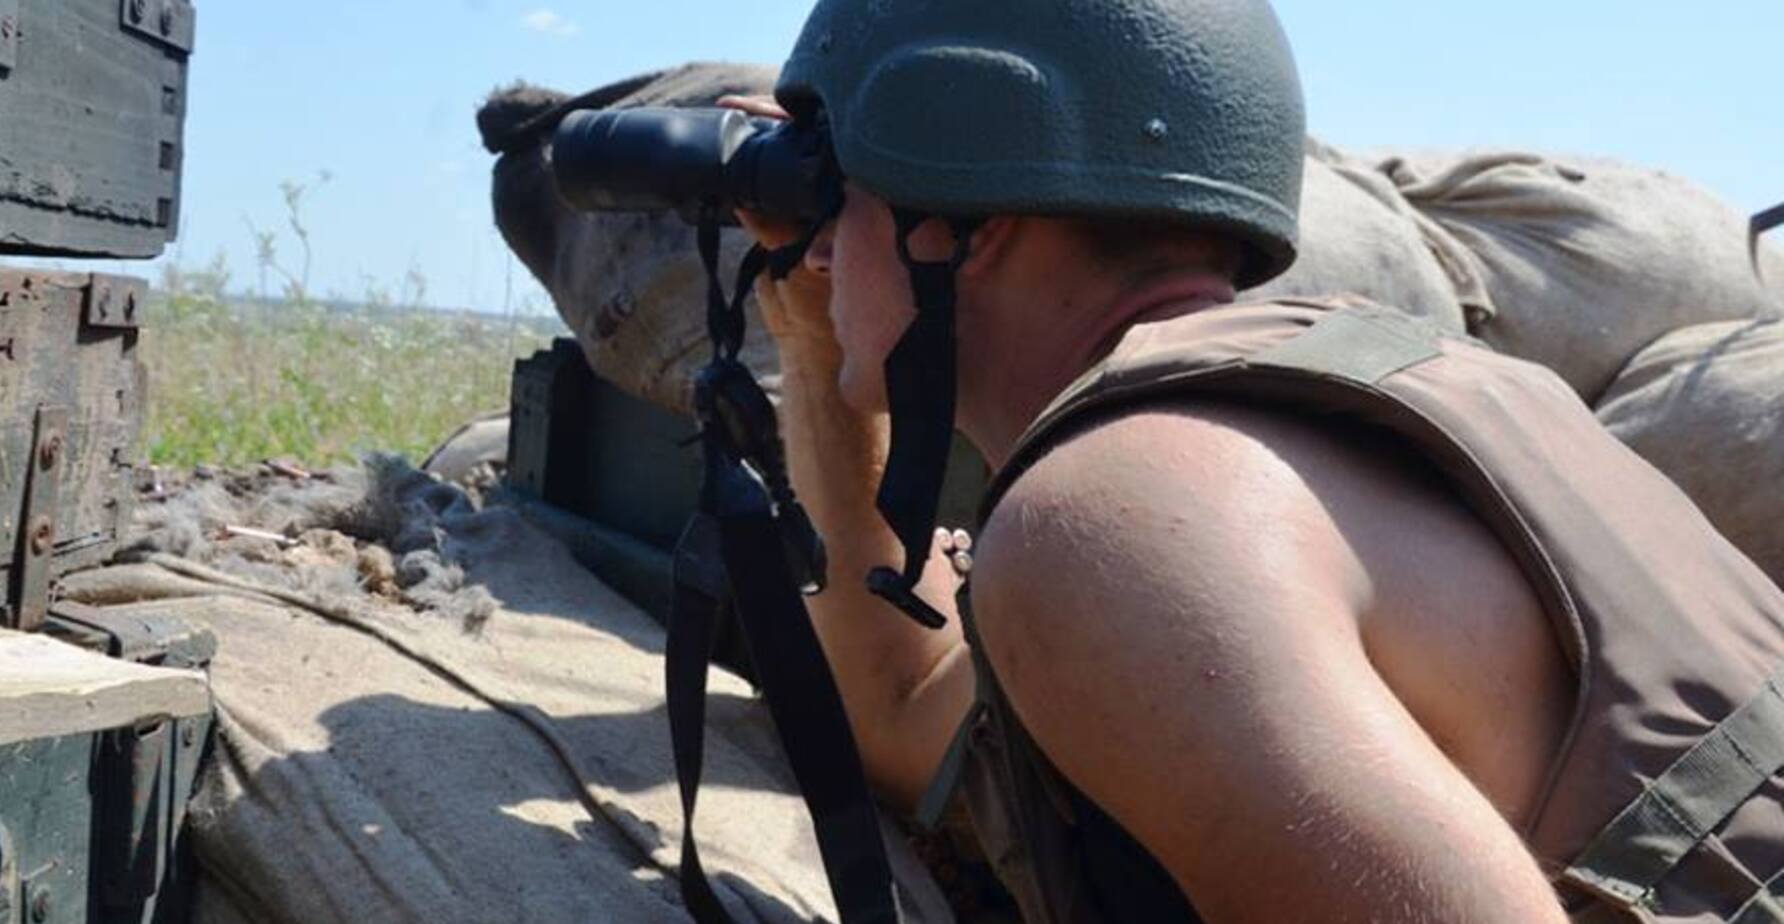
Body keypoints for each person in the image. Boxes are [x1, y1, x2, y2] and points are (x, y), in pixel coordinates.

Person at [718, 2, 1784, 922]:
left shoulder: (1122, 516)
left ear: (962, 219)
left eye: (837, 196)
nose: (814, 247)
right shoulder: (1446, 394)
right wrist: (814, 348)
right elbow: (906, 725)